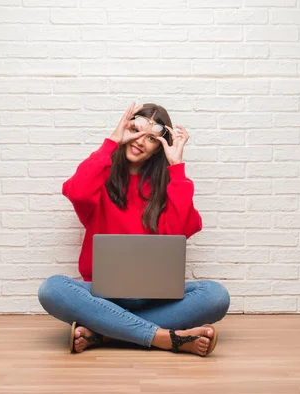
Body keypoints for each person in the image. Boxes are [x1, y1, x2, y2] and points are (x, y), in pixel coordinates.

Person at [37, 102, 230, 356]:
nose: (140, 141)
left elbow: (181, 231)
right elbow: (76, 191)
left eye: (151, 138)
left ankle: (105, 333)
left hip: (156, 298)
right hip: (103, 296)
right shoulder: (101, 178)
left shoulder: (166, 187)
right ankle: (162, 337)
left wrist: (176, 167)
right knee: (52, 289)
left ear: (159, 148)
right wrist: (112, 141)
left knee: (216, 296)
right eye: (136, 130)